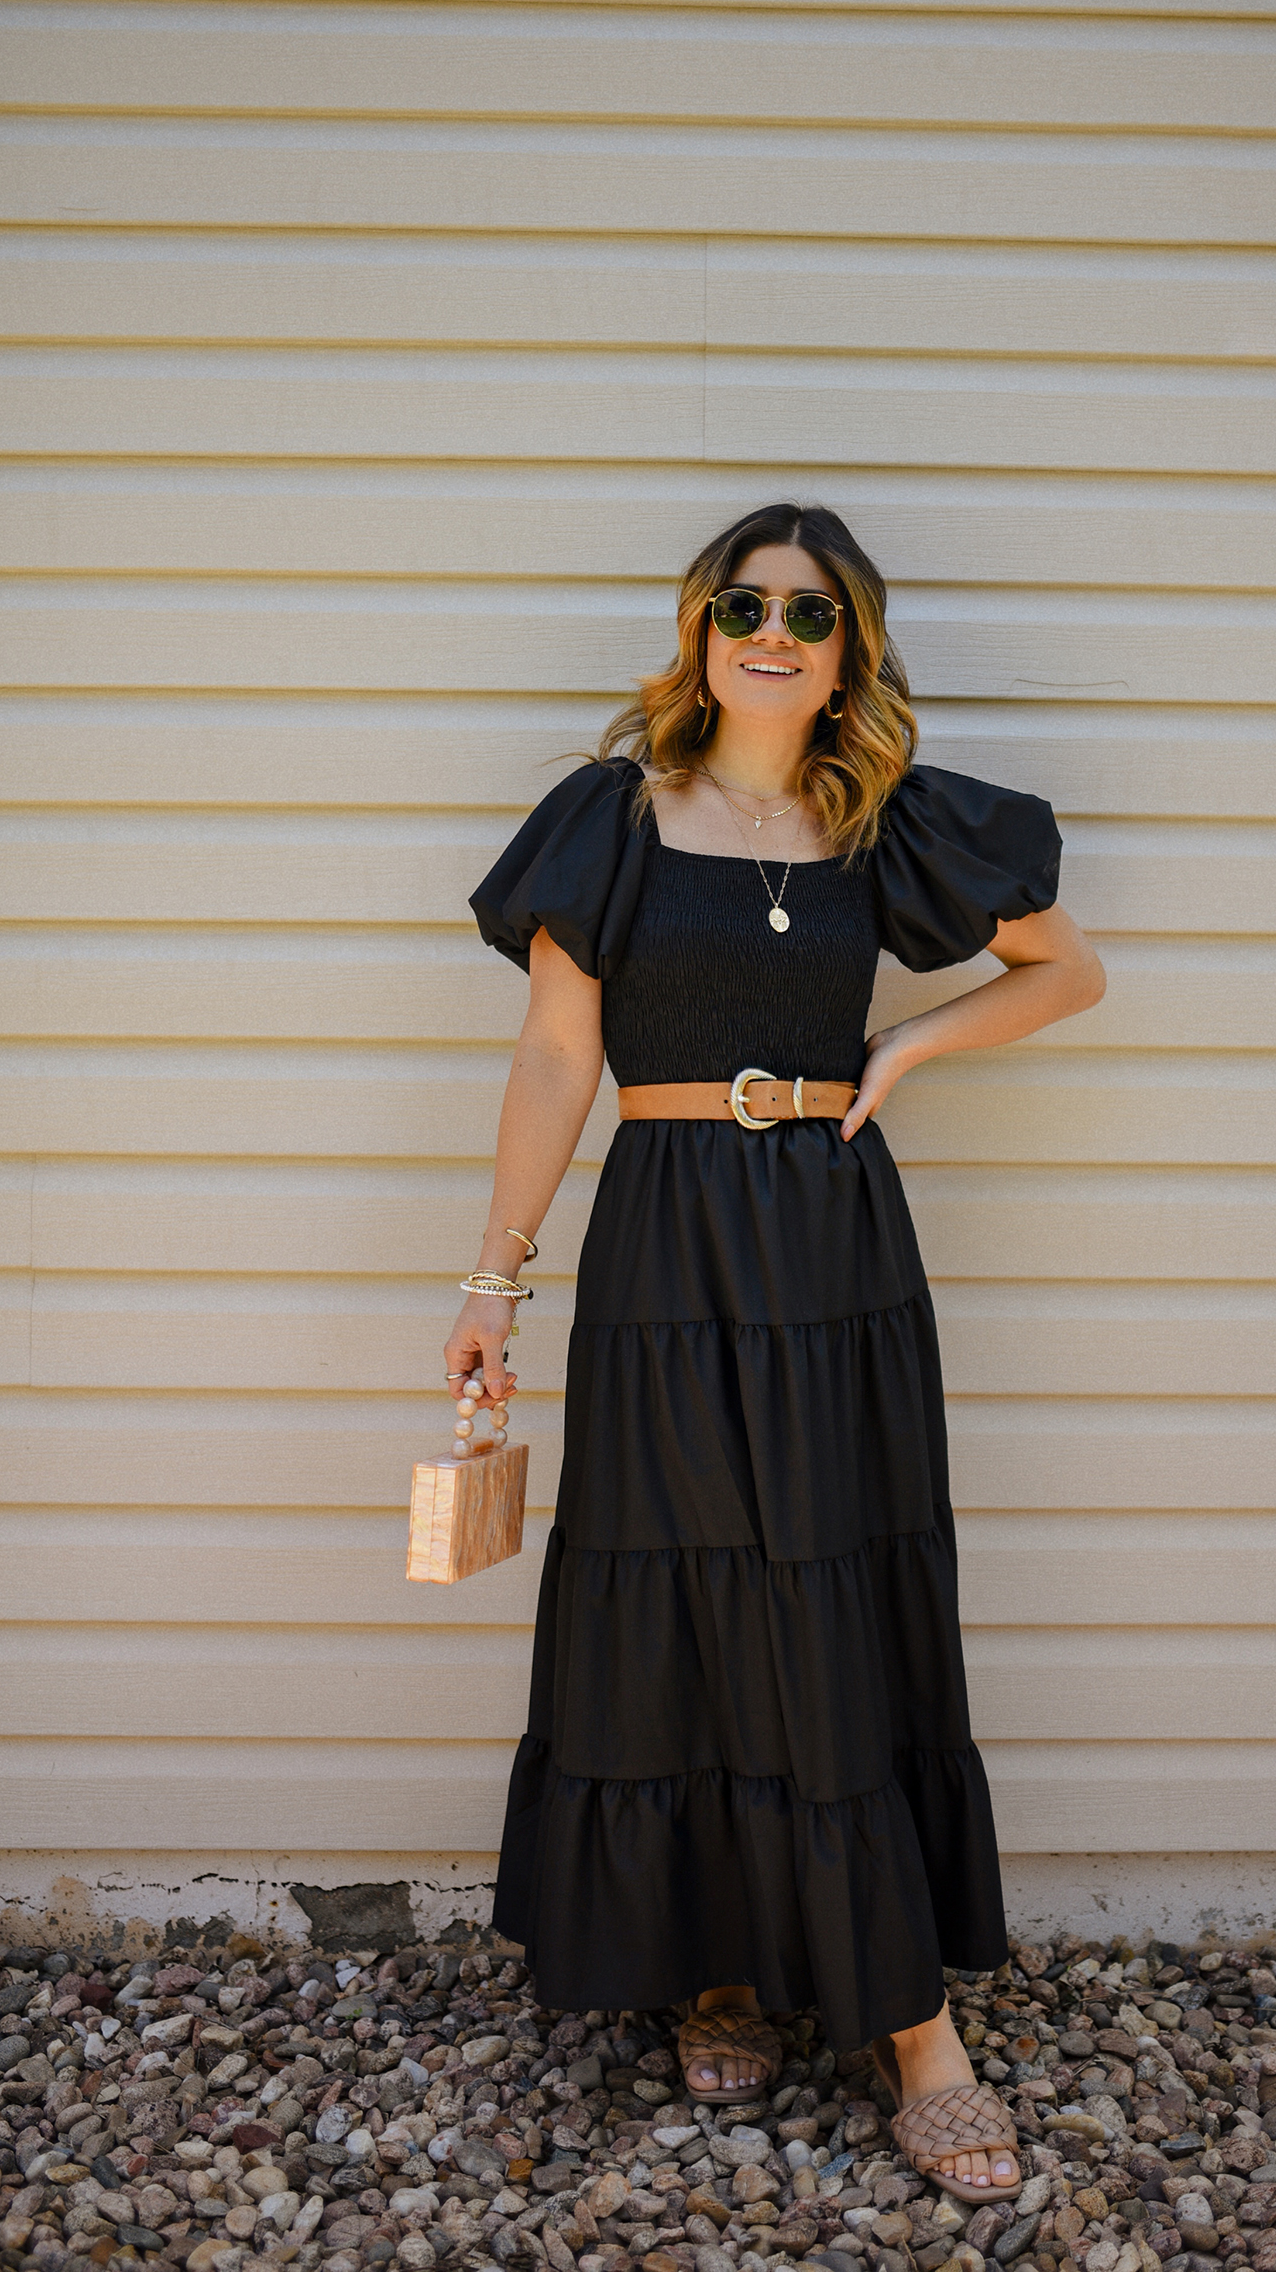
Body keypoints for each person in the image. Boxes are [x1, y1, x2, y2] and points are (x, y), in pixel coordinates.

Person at [446, 501, 1104, 2199]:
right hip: (664, 1234)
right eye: (745, 603)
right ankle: (718, 1961)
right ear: (699, 624)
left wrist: (910, 1048)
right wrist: (492, 1282)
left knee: (826, 1574)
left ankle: (916, 2029)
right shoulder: (608, 818)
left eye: (811, 615)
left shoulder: (882, 820)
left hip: (831, 1240)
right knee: (681, 1580)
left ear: (848, 652)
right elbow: (548, 1063)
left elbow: (1065, 969)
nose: (774, 632)